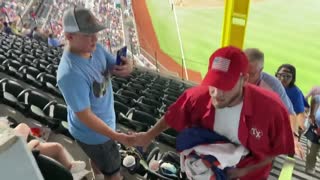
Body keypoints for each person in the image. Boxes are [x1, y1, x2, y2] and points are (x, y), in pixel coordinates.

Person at [132, 46, 295, 179]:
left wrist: (241, 172)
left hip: (250, 175)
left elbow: (275, 151)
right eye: (214, 83)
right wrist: (148, 135)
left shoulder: (272, 108)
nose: (216, 93)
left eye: (226, 85)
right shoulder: (198, 96)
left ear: (244, 80)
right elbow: (172, 116)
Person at [57, 7, 134, 180]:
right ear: (70, 36)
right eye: (88, 35)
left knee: (98, 162)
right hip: (96, 136)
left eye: (95, 33)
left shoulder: (95, 48)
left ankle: (96, 176)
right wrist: (117, 136)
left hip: (98, 132)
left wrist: (127, 66)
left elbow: (113, 66)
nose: (95, 39)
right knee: (114, 174)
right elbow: (85, 116)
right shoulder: (70, 73)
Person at [244, 48, 304, 157]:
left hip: (260, 130)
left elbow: (290, 113)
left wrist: (294, 139)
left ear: (261, 70)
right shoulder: (234, 74)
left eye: (251, 74)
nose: (245, 78)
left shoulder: (273, 85)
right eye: (243, 72)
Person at [275, 64, 309, 131]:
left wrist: (299, 126)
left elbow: (299, 112)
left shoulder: (295, 92)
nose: (283, 78)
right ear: (276, 74)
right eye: (281, 75)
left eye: (288, 76)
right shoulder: (268, 83)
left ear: (292, 79)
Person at [305, 95, 320, 174]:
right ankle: (310, 167)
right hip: (316, 127)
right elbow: (314, 99)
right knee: (312, 149)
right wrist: (312, 113)